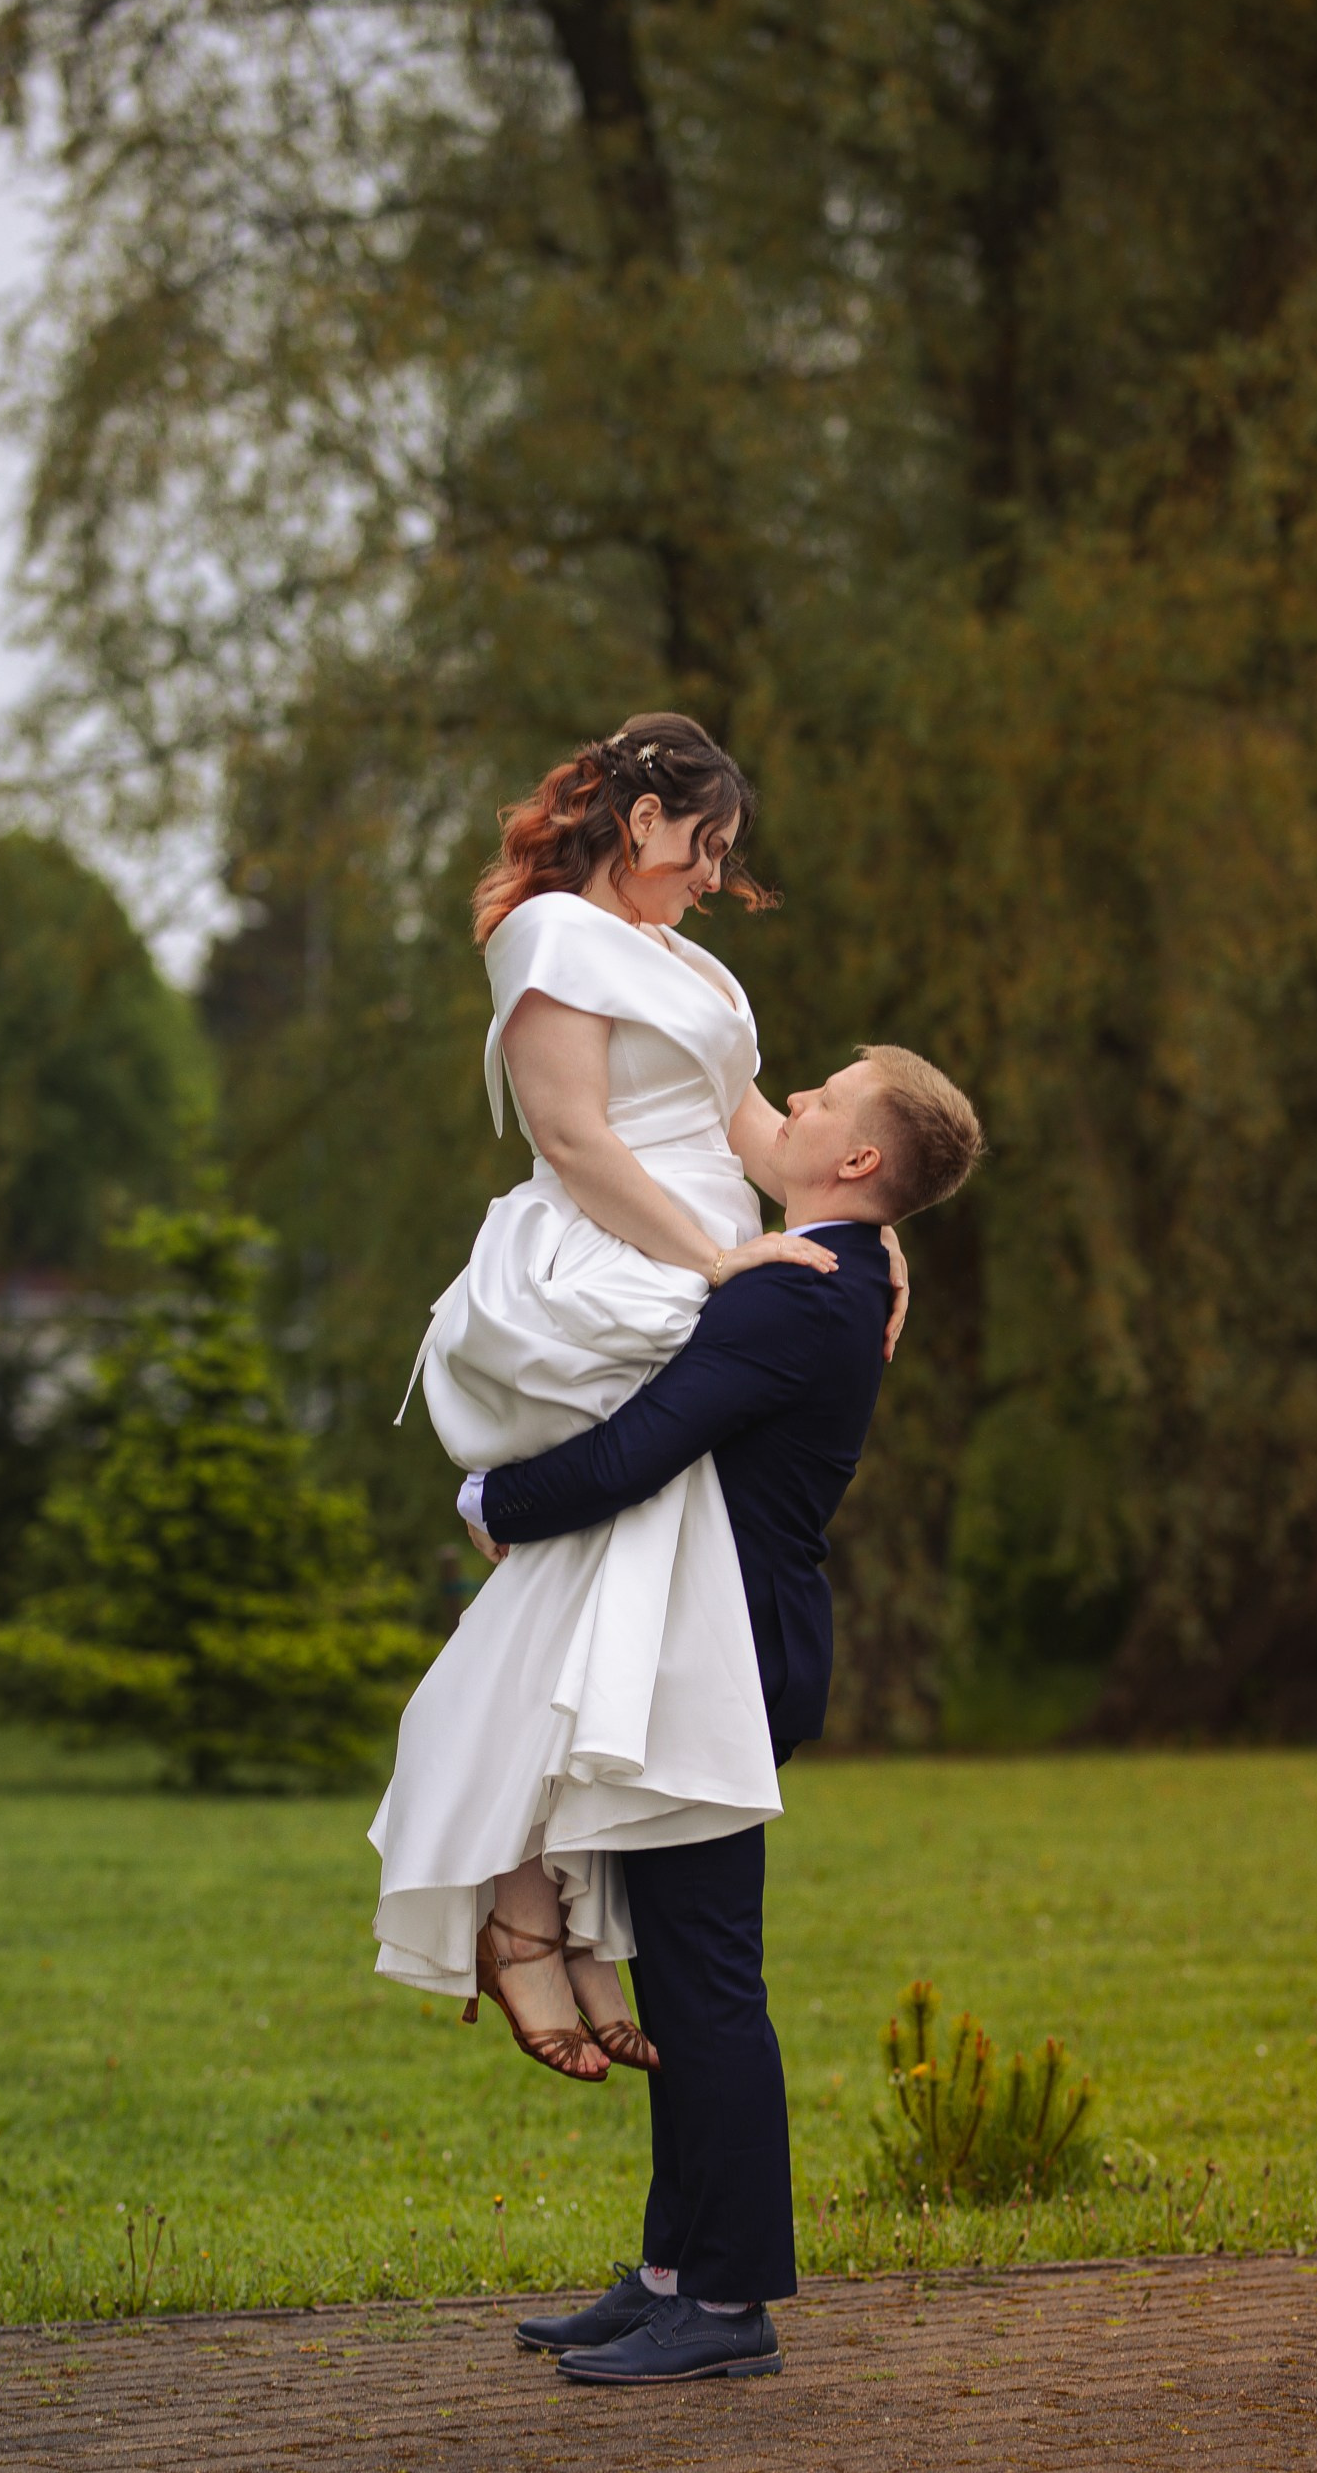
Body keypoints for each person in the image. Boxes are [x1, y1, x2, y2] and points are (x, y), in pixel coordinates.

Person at [369, 714, 908, 2077]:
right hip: (602, 1265)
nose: (716, 878)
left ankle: (539, 1889)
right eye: (707, 847)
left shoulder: (709, 979)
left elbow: (758, 1128)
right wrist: (722, 1260)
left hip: (709, 1257)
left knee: (633, 1577)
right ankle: (536, 1900)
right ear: (647, 814)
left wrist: (873, 1235)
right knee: (633, 1525)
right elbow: (573, 1135)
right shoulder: (546, 935)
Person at [480, 1039, 984, 2382]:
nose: (792, 1104)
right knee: (680, 1971)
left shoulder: (803, 1289)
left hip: (727, 1661)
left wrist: (495, 1504)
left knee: (706, 1982)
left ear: (860, 1160)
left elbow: (646, 1446)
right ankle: (670, 2276)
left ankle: (730, 2303)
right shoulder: (842, 1274)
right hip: (712, 1656)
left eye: (819, 1098)